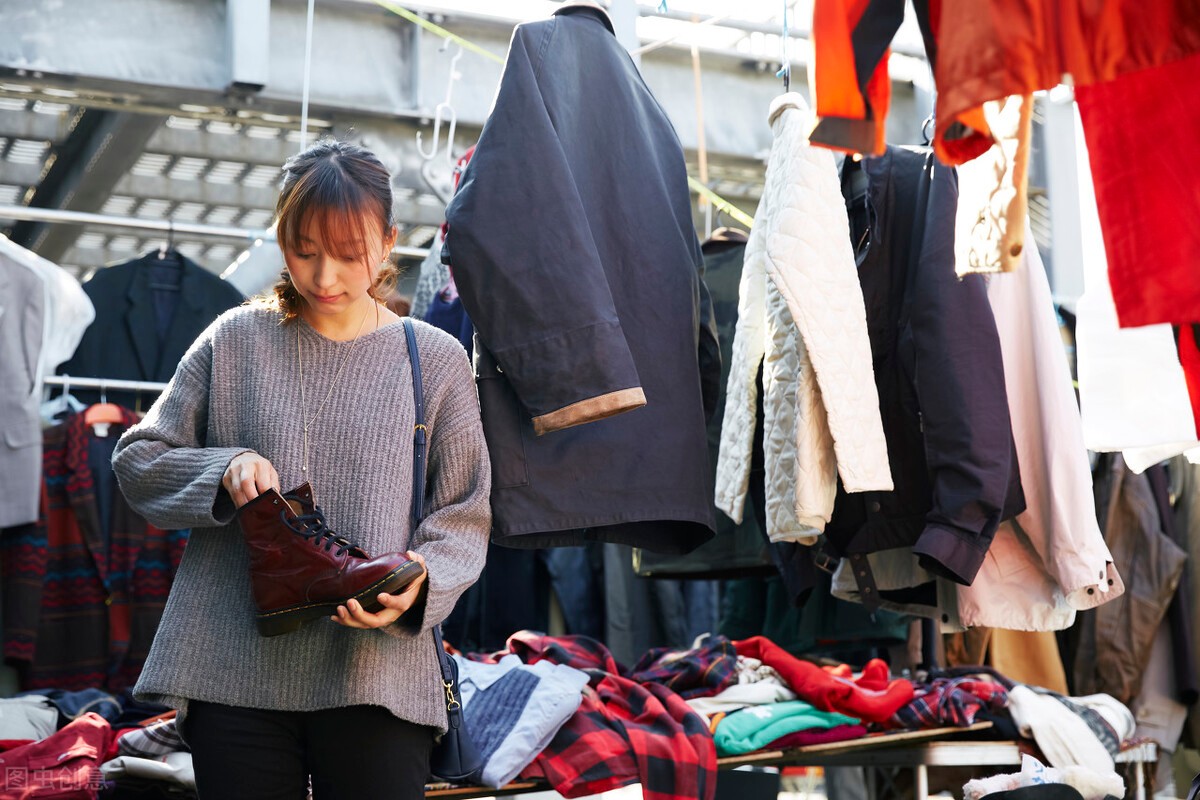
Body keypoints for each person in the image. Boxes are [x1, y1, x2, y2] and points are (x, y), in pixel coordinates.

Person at [111, 140, 492, 800]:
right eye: (304, 248)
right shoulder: (234, 339)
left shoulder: (434, 360)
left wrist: (423, 582)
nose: (324, 275)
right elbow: (138, 462)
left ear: (390, 242)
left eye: (349, 252)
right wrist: (222, 467)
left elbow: (464, 514)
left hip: (376, 674)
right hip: (233, 671)